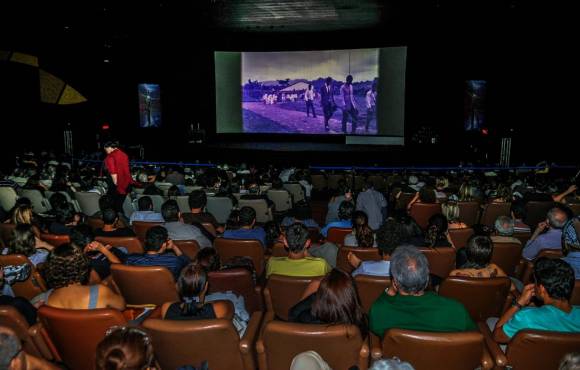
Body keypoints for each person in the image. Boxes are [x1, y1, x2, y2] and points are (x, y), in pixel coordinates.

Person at [369, 245, 476, 337]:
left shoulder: (379, 312)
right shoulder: (457, 311)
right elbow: (474, 339)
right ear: (427, 280)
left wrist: (389, 292)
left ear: (395, 283)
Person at [492, 258, 580, 343]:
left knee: (490, 321)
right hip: (568, 358)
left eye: (535, 282)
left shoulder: (526, 316)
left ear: (542, 289)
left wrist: (519, 303)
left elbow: (497, 336)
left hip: (523, 356)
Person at [41, 243, 126, 310]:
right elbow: (122, 306)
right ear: (83, 265)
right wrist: (114, 283)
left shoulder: (48, 298)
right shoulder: (100, 291)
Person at [289, 268, 368, 337]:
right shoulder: (359, 323)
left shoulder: (304, 318)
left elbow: (293, 314)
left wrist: (317, 294)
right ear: (351, 295)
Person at [161, 264, 231, 321]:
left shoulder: (166, 308)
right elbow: (230, 305)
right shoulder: (219, 308)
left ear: (177, 287)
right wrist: (201, 299)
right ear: (206, 286)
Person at [266, 223, 331, 278]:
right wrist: (309, 255)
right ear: (308, 243)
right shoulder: (321, 265)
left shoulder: (272, 263)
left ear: (285, 242)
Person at [125, 226, 190, 280]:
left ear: (145, 241)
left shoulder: (131, 259)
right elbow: (188, 264)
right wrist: (174, 246)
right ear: (164, 244)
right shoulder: (173, 261)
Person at [103, 140, 132, 213]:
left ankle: (119, 221)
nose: (105, 150)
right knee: (117, 206)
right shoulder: (120, 155)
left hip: (117, 186)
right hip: (120, 185)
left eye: (106, 148)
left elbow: (116, 181)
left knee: (116, 206)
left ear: (110, 148)